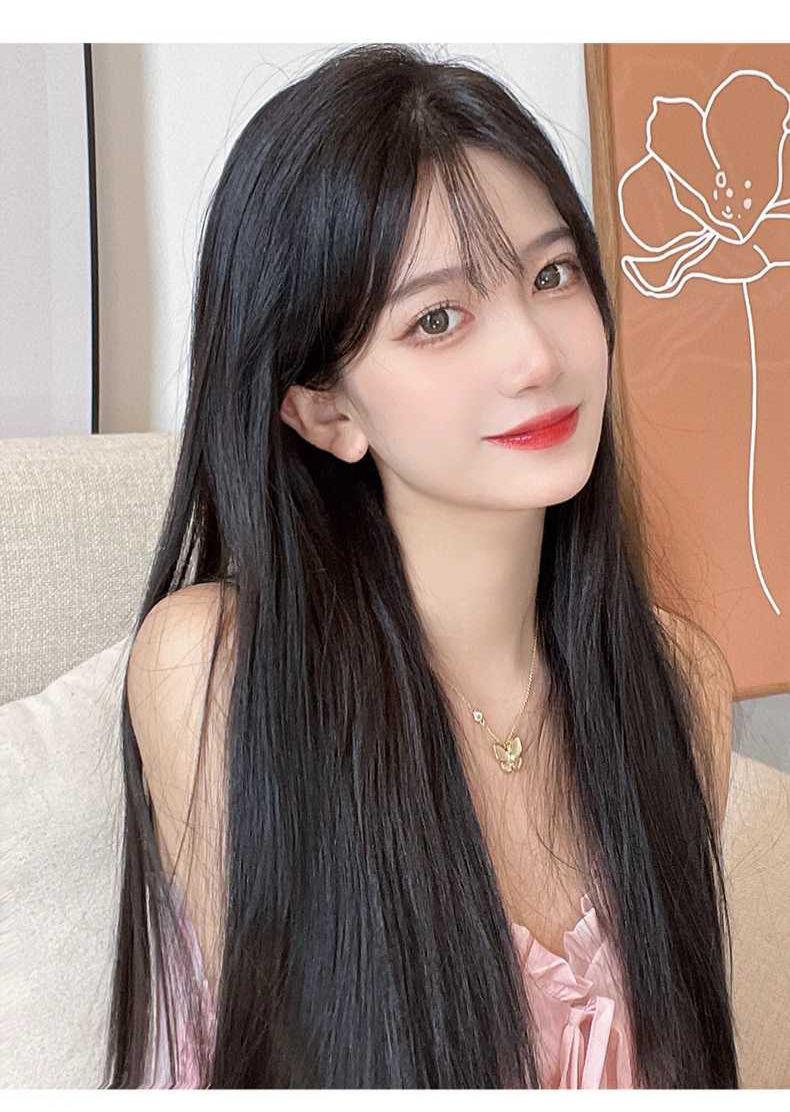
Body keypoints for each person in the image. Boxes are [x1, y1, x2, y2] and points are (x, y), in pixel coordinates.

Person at [101, 43, 738, 1089]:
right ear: (323, 409)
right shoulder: (218, 667)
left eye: (551, 274)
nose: (535, 356)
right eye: (437, 318)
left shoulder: (678, 683)